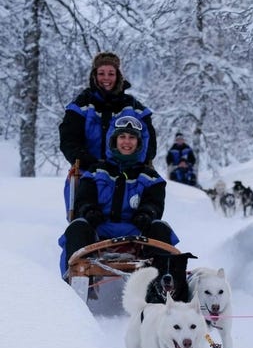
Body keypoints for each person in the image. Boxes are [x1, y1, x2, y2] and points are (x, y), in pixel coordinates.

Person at [59, 113, 178, 277]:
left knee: (161, 228)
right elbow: (83, 200)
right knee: (77, 227)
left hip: (136, 233)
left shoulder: (151, 178)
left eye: (132, 137)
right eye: (122, 136)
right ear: (114, 140)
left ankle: (162, 285)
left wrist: (146, 213)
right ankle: (74, 282)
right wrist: (89, 210)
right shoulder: (96, 171)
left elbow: (154, 205)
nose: (126, 142)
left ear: (139, 142)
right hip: (99, 230)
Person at [59, 52, 157, 172]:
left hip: (127, 173)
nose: (106, 78)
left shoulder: (134, 108)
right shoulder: (81, 105)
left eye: (111, 73)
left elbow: (149, 144)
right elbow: (69, 140)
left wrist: (133, 164)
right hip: (88, 173)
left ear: (118, 76)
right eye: (101, 73)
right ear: (94, 75)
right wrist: (90, 162)